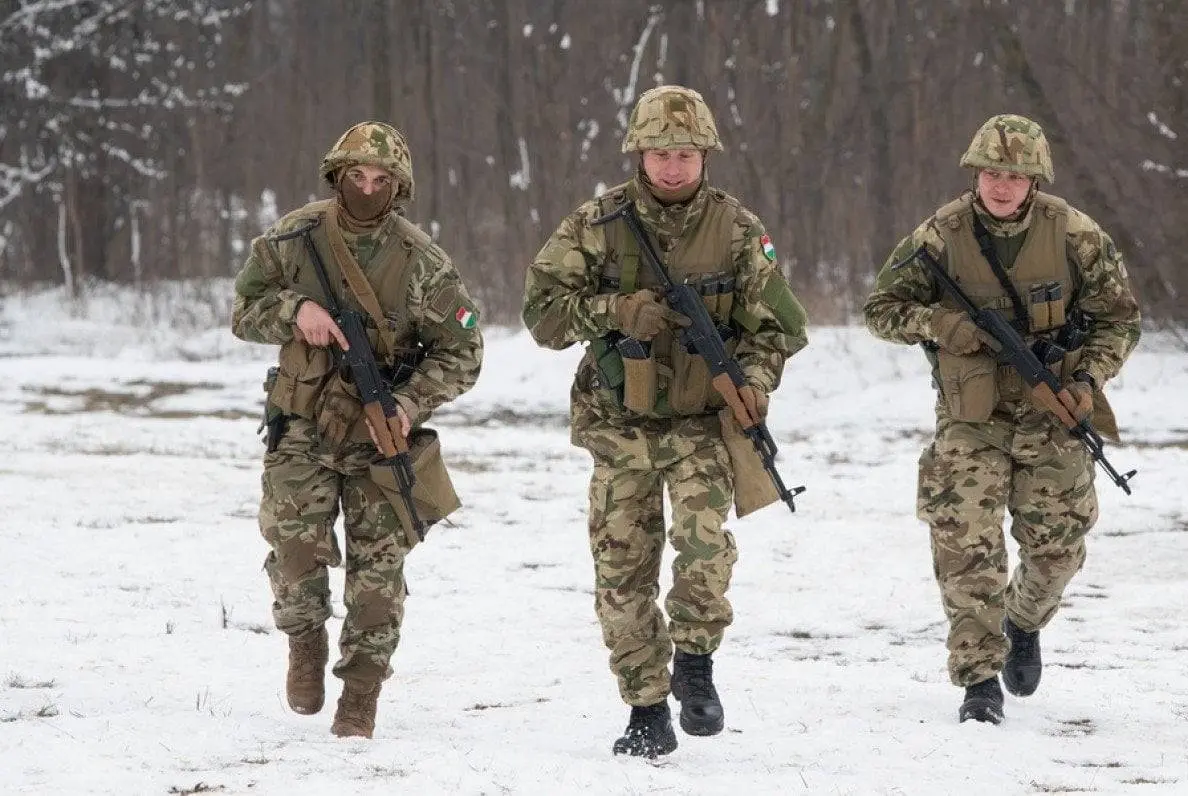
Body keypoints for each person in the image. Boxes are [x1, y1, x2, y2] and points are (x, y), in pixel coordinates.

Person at [522, 85, 808, 757]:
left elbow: (779, 329)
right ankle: (645, 707)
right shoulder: (597, 225)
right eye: (659, 154)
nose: (673, 167)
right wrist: (616, 313)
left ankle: (697, 662)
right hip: (619, 424)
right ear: (639, 155)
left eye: (685, 153)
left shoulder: (738, 230)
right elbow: (542, 313)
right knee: (621, 571)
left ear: (705, 155)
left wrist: (754, 385)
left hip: (703, 424)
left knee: (706, 549)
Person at [862, 114, 1141, 724]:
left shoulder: (1075, 234)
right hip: (971, 418)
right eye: (992, 171)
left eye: (1015, 174)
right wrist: (940, 325)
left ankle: (1023, 620)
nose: (1002, 185)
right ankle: (978, 679)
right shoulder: (941, 234)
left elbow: (1119, 320)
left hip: (1054, 414)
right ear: (975, 172)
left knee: (1058, 549)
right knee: (965, 545)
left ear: (1034, 178)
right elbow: (880, 309)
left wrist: (1087, 378)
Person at [231, 121, 483, 739]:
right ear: (335, 176)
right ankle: (305, 643)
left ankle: (362, 693)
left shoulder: (423, 262)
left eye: (380, 180)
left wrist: (408, 401)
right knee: (295, 554)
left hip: (379, 434)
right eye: (355, 177)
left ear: (398, 187)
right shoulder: (294, 238)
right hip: (302, 426)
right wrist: (297, 311)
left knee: (377, 573)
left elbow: (464, 351)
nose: (367, 189)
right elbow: (243, 310)